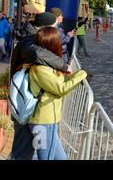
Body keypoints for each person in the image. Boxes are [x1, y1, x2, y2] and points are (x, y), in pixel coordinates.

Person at [10, 12, 73, 160]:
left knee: (49, 153)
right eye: (55, 28)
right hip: (29, 108)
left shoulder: (31, 36)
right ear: (46, 29)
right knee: (23, 153)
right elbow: (37, 54)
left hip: (30, 106)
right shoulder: (29, 41)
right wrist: (64, 66)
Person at [28, 27, 87, 160]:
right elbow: (60, 89)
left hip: (50, 121)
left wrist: (73, 75)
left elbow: (58, 83)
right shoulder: (40, 68)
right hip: (42, 123)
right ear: (52, 44)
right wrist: (82, 74)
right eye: (58, 40)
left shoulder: (47, 64)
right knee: (43, 157)